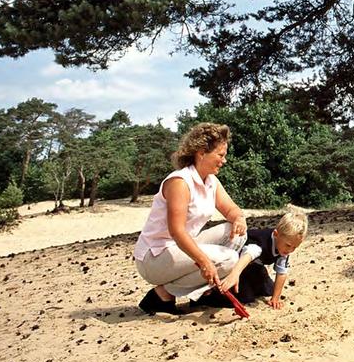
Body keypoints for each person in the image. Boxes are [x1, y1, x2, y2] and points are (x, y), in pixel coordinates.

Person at [132, 123, 248, 315]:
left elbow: (231, 209)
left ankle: (204, 290)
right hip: (154, 257)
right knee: (229, 259)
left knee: (236, 234)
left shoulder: (211, 181)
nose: (224, 161)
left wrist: (239, 218)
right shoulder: (180, 182)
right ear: (201, 153)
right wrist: (204, 262)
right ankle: (163, 293)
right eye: (220, 155)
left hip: (180, 249)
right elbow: (176, 232)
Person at [217, 211, 308, 309]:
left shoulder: (284, 248)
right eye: (288, 245)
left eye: (295, 247)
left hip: (254, 266)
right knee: (246, 296)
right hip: (237, 263)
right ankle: (208, 297)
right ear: (276, 234)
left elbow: (281, 272)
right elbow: (248, 255)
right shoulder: (261, 243)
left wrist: (275, 298)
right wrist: (234, 275)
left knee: (270, 289)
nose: (290, 250)